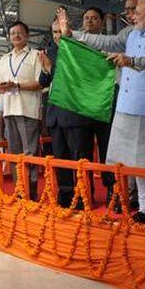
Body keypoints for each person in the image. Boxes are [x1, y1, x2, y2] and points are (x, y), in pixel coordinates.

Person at [58, 0, 145, 224]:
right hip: (127, 106)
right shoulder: (131, 34)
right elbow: (106, 42)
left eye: (137, 12)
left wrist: (133, 61)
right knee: (134, 161)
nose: (132, 16)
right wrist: (73, 34)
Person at [39, 20, 93, 207]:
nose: (57, 35)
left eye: (60, 31)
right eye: (54, 32)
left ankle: (84, 196)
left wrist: (51, 69)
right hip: (55, 116)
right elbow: (43, 81)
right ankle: (66, 195)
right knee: (61, 158)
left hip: (76, 115)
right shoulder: (50, 53)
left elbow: (77, 77)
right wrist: (46, 71)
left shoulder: (80, 51)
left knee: (80, 159)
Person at [0, 21, 43, 200]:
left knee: (30, 152)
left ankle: (32, 191)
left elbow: (40, 83)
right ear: (9, 37)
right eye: (13, 33)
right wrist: (3, 87)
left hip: (28, 110)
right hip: (9, 111)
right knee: (14, 153)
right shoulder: (4, 59)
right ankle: (20, 190)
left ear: (27, 35)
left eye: (20, 32)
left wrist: (17, 85)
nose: (16, 35)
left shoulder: (35, 55)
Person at [80, 6, 116, 203]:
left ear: (101, 22)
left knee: (107, 150)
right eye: (86, 18)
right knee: (82, 151)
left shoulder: (111, 44)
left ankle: (112, 190)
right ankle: (86, 193)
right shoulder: (75, 45)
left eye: (94, 18)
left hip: (105, 104)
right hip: (81, 106)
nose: (89, 21)